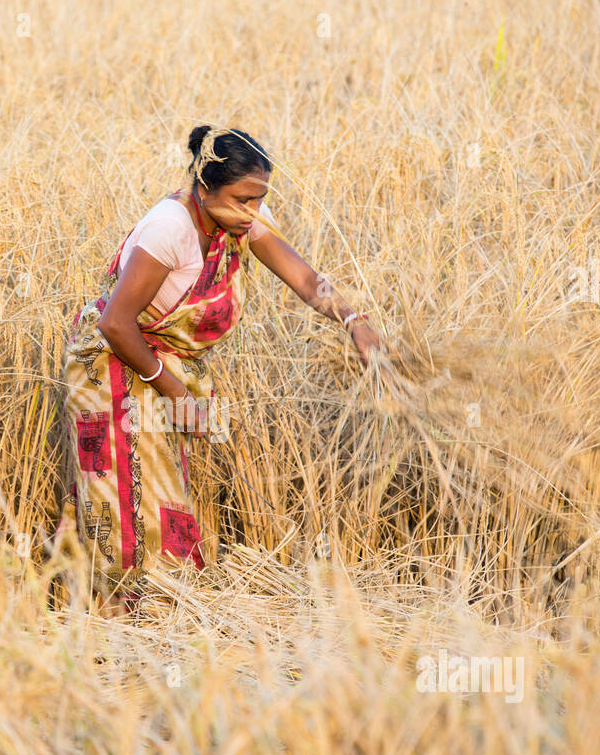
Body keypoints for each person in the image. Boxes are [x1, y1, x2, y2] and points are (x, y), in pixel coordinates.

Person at [52, 123, 389, 612]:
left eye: (258, 199)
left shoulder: (243, 218)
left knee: (162, 490)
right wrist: (174, 391)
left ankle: (154, 613)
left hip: (163, 368)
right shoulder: (171, 229)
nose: (251, 212)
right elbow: (116, 324)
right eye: (242, 199)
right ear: (204, 188)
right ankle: (126, 619)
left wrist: (354, 320)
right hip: (111, 363)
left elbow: (304, 279)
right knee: (123, 492)